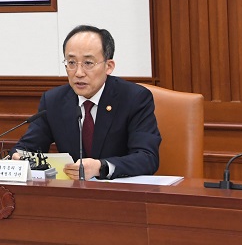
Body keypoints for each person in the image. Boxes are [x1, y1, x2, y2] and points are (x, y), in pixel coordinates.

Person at [13, 25, 161, 179]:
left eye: (88, 63)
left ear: (108, 66)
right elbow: (27, 147)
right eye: (71, 63)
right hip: (72, 195)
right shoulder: (53, 101)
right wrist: (18, 157)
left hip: (119, 194)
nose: (78, 73)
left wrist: (101, 167)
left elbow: (147, 158)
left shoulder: (134, 98)